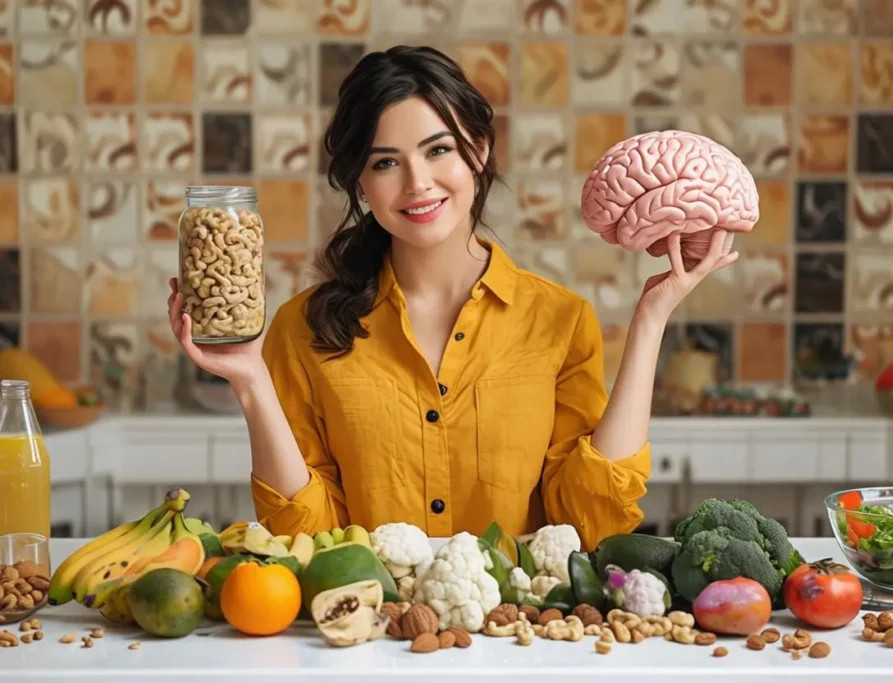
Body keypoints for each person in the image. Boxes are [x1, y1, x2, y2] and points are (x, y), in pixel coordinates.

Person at [166, 45, 736, 550]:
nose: (417, 183)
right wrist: (250, 380)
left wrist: (651, 318)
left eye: (438, 150)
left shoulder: (560, 320)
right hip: (364, 643)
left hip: (519, 641)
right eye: (386, 162)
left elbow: (590, 520)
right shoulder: (303, 327)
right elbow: (306, 539)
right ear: (360, 184)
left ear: (478, 151)